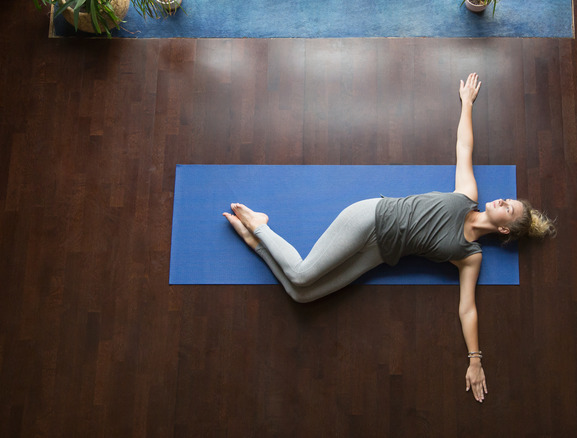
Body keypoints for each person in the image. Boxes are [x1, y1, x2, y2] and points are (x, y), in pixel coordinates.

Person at [223, 73, 555, 403]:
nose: (502, 201)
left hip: (379, 255)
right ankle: (260, 226)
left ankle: (257, 245)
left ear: (504, 230)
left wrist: (475, 359)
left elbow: (467, 308)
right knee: (300, 274)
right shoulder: (467, 195)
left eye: (507, 209)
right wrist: (466, 103)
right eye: (508, 199)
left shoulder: (470, 255)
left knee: (301, 295)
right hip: (372, 218)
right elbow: (463, 146)